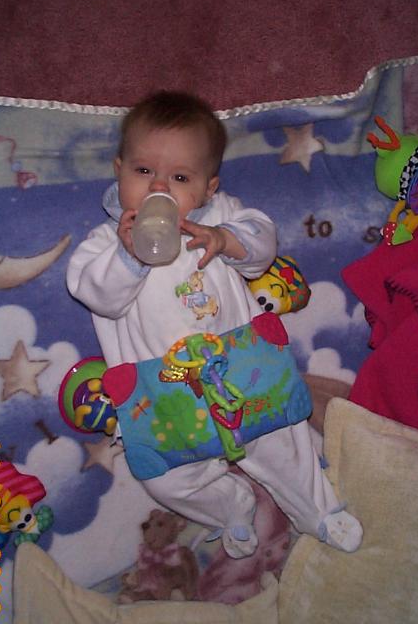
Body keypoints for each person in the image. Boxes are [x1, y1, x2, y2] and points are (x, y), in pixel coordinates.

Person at [67, 90, 363, 558]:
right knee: (163, 476)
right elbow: (94, 294)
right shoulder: (104, 243)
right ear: (119, 170)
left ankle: (318, 509)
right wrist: (129, 256)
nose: (159, 188)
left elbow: (262, 242)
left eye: (180, 177)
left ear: (209, 188)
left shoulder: (224, 214)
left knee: (283, 440)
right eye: (143, 171)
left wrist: (225, 239)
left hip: (240, 367)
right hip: (162, 389)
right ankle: (229, 505)